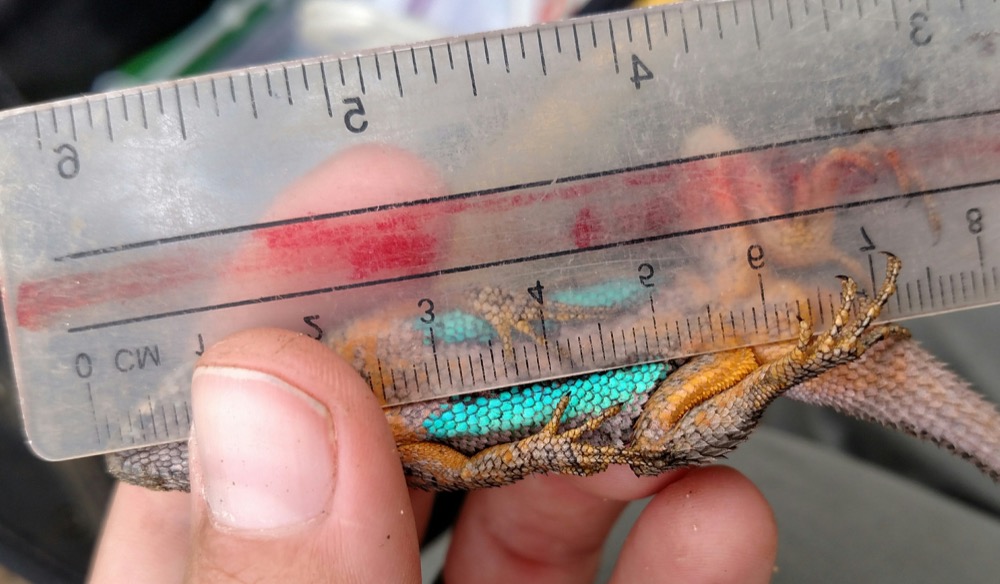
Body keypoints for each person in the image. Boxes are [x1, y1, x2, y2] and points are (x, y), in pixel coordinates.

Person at [88, 146, 777, 583]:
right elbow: (478, 462)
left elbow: (459, 317)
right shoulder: (396, 455)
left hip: (615, 319)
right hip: (626, 381)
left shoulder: (345, 352)